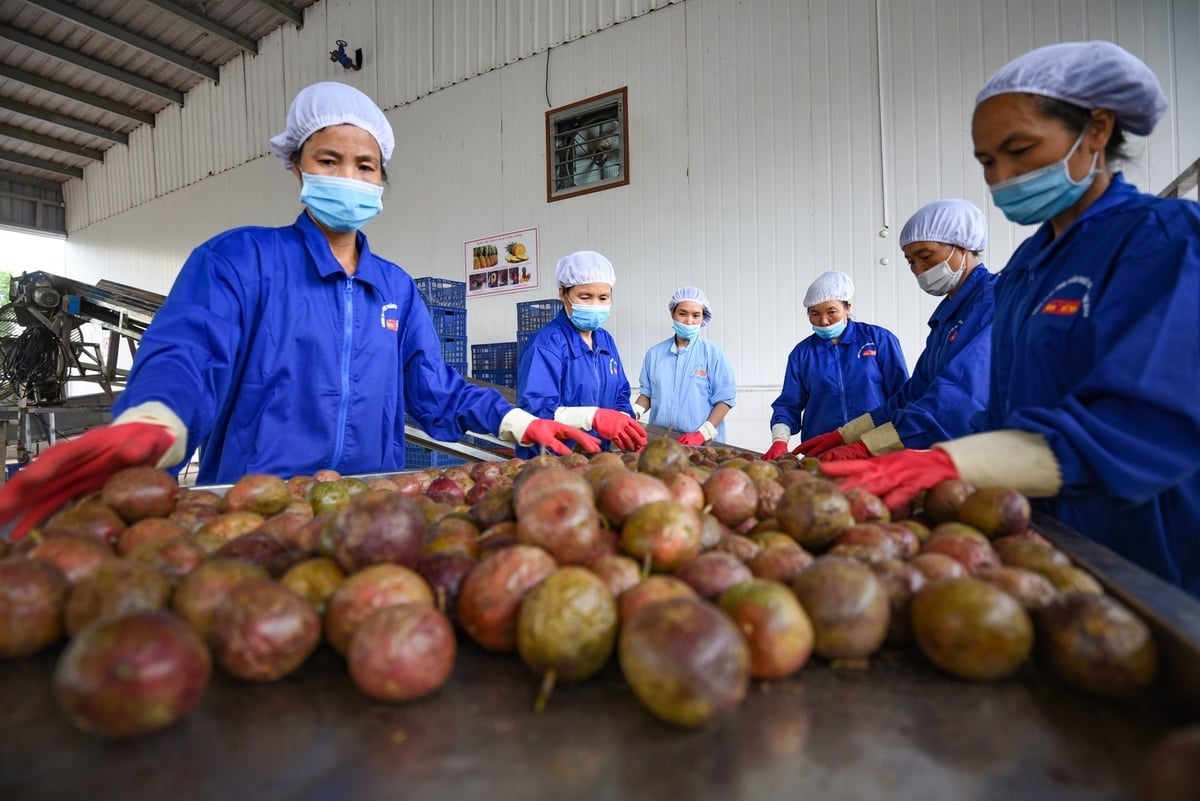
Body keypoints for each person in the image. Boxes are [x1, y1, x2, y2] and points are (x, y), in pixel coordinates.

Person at [0, 82, 598, 539]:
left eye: (364, 167)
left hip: (367, 513)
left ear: (382, 179)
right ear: (296, 165)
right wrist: (156, 421)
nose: (348, 177)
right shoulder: (239, 260)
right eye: (329, 160)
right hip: (250, 510)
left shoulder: (395, 289)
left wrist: (519, 422)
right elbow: (189, 352)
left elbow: (435, 390)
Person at [823, 41, 1200, 595]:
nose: (1002, 176)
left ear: (1096, 130)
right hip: (1045, 533)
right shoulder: (1028, 268)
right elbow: (1003, 411)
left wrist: (951, 461)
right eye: (987, 162)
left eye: (1019, 149)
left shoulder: (1162, 240)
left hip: (1143, 539)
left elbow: (1148, 424)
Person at [798, 200, 996, 461]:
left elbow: (958, 398)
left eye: (925, 256)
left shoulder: (993, 303)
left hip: (992, 454)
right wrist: (846, 434)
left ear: (963, 247)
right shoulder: (945, 319)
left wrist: (867, 446)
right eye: (911, 261)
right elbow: (912, 394)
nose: (918, 269)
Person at [762, 270, 908, 460]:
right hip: (822, 452)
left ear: (848, 307)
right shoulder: (802, 354)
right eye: (814, 314)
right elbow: (788, 405)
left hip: (876, 448)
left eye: (832, 312)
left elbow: (903, 395)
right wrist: (780, 440)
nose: (823, 321)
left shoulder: (879, 340)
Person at [516, 250, 647, 458]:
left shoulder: (606, 341)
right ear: (563, 293)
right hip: (551, 462)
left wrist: (623, 420)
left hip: (595, 459)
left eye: (603, 297)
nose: (595, 305)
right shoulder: (547, 344)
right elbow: (535, 411)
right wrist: (592, 417)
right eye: (585, 297)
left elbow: (620, 393)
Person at [632, 287, 737, 446]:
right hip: (661, 441)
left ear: (703, 318)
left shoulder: (713, 354)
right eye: (683, 314)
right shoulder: (654, 354)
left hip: (703, 445)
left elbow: (725, 400)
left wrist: (703, 433)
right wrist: (633, 413)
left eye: (696, 315)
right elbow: (647, 395)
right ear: (672, 313)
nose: (689, 321)